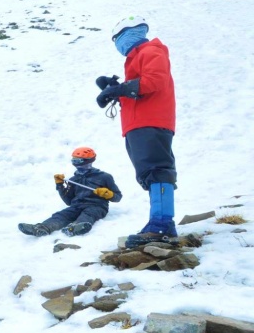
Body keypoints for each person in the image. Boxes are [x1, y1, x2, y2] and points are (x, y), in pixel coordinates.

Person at [96, 15, 177, 241]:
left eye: (117, 39)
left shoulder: (150, 51)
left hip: (150, 121)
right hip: (139, 123)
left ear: (128, 33)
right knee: (149, 173)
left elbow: (155, 80)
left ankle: (162, 224)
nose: (117, 45)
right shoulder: (137, 58)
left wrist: (119, 89)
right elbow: (141, 90)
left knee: (157, 170)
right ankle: (159, 222)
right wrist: (115, 89)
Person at [18, 147, 123, 237]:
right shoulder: (74, 180)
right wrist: (60, 185)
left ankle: (75, 228)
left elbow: (118, 197)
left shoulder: (104, 177)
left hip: (97, 206)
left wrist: (109, 194)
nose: (77, 164)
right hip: (76, 206)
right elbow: (68, 201)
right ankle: (42, 228)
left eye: (79, 161)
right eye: (74, 161)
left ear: (89, 161)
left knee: (89, 214)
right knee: (62, 215)